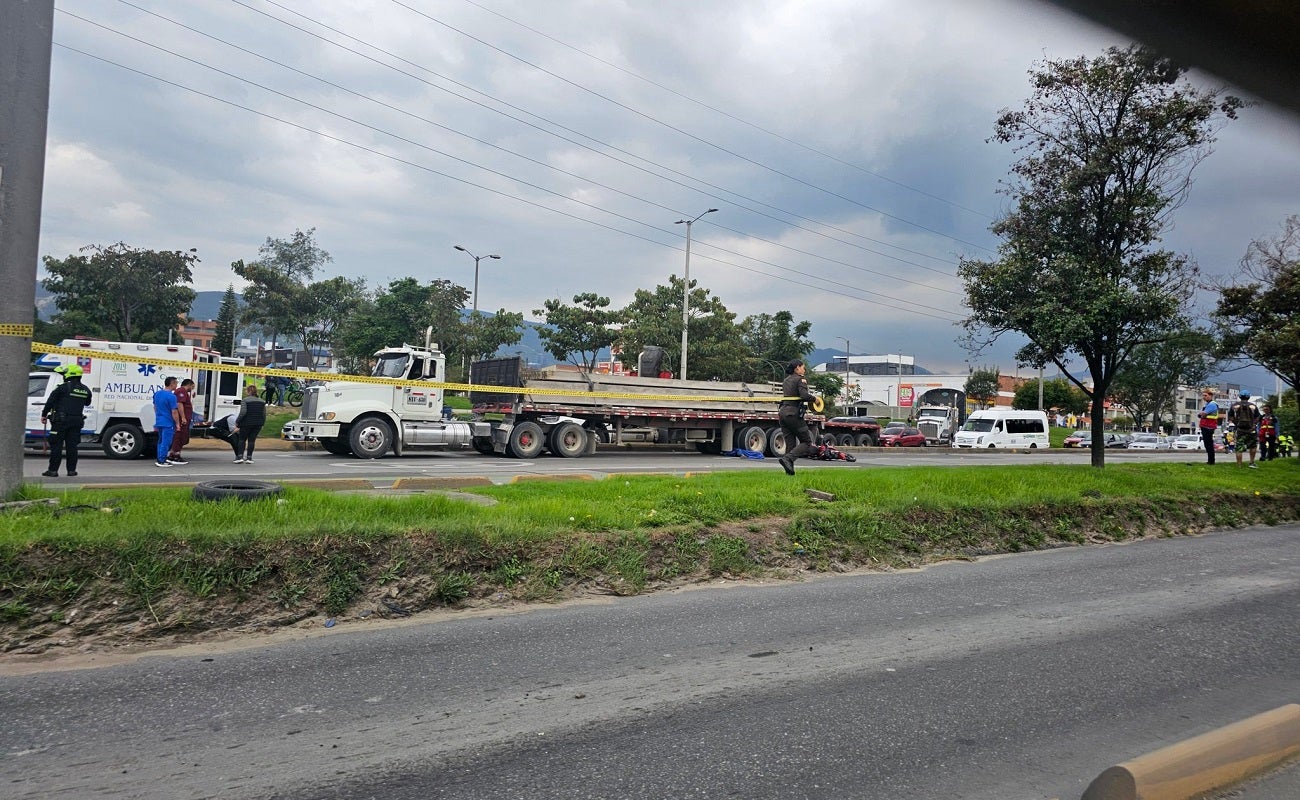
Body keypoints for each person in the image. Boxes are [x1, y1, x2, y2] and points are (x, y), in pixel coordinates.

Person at [40, 364, 93, 478]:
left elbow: (50, 401)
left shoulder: (62, 387)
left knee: (56, 446)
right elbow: (87, 403)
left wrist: (44, 415)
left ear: (69, 374)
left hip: (60, 421)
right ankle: (71, 471)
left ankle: (53, 471)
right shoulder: (85, 389)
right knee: (72, 447)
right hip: (77, 421)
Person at [776, 359, 816, 475]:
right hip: (793, 414)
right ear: (797, 368)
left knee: (790, 444)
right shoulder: (800, 379)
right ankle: (788, 459)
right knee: (807, 442)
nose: (804, 369)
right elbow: (803, 395)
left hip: (783, 413)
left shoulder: (786, 380)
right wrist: (815, 399)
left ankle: (789, 472)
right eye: (803, 367)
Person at [234, 383, 267, 464]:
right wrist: (262, 423)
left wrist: (237, 421)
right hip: (258, 424)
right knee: (252, 441)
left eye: (246, 391)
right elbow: (264, 414)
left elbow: (243, 412)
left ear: (249, 391)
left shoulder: (245, 400)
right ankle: (249, 458)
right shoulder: (262, 402)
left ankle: (240, 457)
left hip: (246, 423)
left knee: (242, 440)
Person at [1226, 391, 1261, 469]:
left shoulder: (1234, 406)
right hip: (1251, 430)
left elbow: (1230, 416)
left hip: (1240, 429)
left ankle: (1239, 465)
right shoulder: (1253, 406)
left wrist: (1236, 423)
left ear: (1240, 397)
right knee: (1253, 446)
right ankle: (1251, 463)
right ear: (1248, 397)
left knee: (1239, 448)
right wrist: (1254, 425)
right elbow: (1258, 417)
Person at [153, 376, 181, 468]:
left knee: (160, 441)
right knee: (166, 442)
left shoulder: (157, 394)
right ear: (172, 383)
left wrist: (158, 415)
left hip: (159, 420)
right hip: (168, 422)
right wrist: (177, 423)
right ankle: (162, 460)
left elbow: (155, 407)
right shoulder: (172, 396)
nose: (176, 385)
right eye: (176, 383)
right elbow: (174, 411)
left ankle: (159, 458)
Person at [167, 378, 195, 465]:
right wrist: (183, 417)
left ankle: (172, 454)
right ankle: (176, 456)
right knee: (179, 437)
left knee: (181, 436)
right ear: (189, 385)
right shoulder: (181, 391)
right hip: (182, 419)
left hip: (185, 419)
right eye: (192, 387)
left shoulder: (183, 392)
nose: (192, 389)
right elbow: (179, 404)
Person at [1196, 389, 1218, 464]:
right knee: (1207, 444)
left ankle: (1211, 461)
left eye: (1206, 395)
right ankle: (1210, 460)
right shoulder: (1208, 404)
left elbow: (1202, 414)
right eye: (1203, 395)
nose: (1204, 397)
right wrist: (1201, 414)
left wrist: (1201, 414)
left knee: (1208, 444)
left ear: (1211, 396)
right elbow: (1201, 414)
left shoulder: (1212, 404)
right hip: (1206, 425)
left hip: (1208, 426)